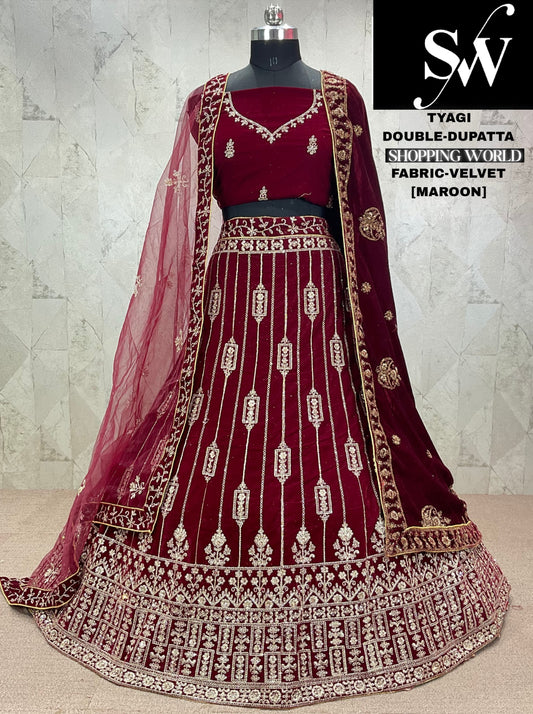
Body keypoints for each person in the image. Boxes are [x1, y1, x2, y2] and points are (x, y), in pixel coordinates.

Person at [0, 6, 509, 708]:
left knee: (323, 427)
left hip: (317, 298)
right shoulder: (205, 104)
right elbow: (184, 223)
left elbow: (362, 218)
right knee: (219, 427)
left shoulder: (342, 99)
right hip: (234, 294)